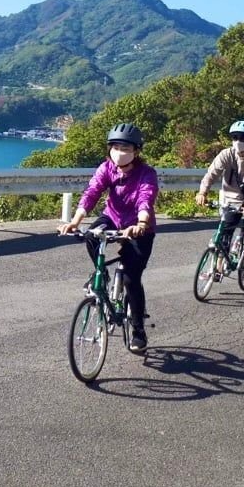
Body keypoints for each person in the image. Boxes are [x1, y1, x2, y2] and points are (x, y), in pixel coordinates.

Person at [59, 123, 158, 354]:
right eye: (115, 146)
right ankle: (100, 274)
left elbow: (146, 198)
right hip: (112, 217)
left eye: (125, 147)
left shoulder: (146, 173)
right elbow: (92, 192)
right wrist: (75, 221)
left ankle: (138, 330)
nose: (119, 151)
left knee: (132, 279)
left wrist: (141, 223)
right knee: (92, 236)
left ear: (136, 150)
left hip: (138, 227)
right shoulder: (107, 168)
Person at [195, 119, 244, 255]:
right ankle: (217, 271)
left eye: (242, 137)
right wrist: (202, 192)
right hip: (232, 199)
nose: (238, 141)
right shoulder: (226, 154)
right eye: (234, 137)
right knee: (224, 234)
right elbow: (211, 174)